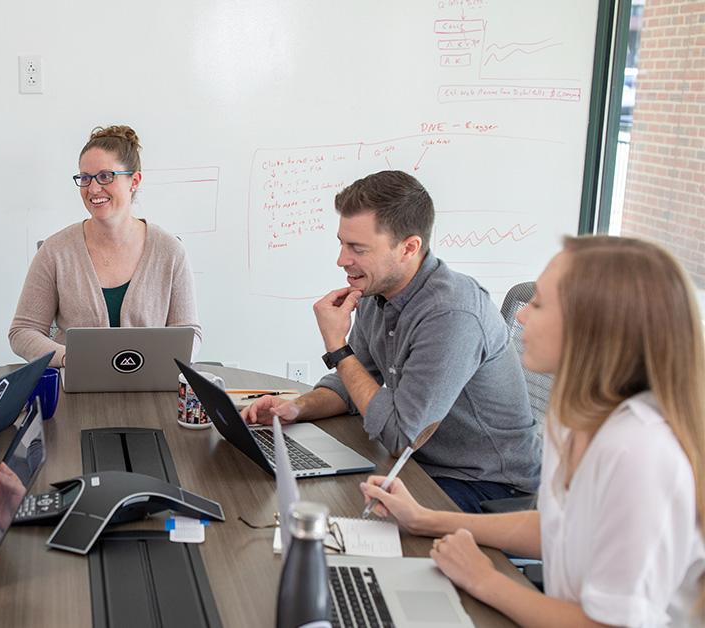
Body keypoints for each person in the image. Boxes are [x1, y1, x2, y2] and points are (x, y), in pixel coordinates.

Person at [360, 235, 705, 627]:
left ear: (593, 327)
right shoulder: (577, 418)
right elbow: (561, 530)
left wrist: (484, 579)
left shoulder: (639, 449)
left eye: (539, 304)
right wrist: (425, 519)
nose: (521, 316)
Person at [242, 170, 540, 513]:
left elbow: (401, 437)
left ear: (408, 248)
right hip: (419, 464)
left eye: (357, 248)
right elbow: (351, 383)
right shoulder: (376, 291)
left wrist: (337, 346)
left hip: (488, 485)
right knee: (300, 495)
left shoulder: (451, 314)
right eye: (342, 243)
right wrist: (296, 408)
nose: (341, 260)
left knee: (346, 519)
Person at [8, 125, 202, 367]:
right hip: (76, 382)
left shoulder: (170, 251)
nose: (93, 188)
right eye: (85, 178)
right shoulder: (55, 251)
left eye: (105, 176)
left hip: (150, 384)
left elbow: (189, 333)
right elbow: (23, 331)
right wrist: (69, 358)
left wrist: (156, 362)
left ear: (134, 181)